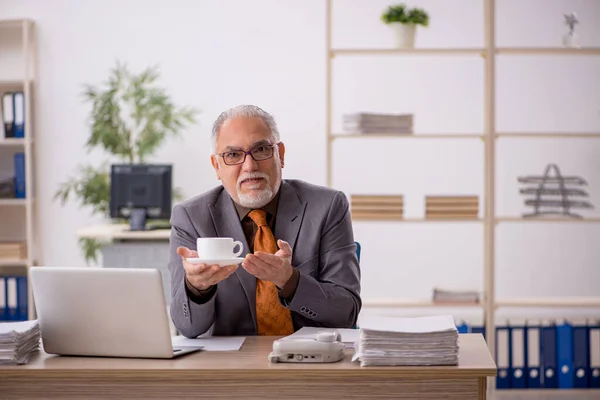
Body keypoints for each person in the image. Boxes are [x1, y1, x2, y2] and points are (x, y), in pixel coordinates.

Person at [168, 105, 361, 338]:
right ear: (216, 166)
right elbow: (186, 328)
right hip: (230, 367)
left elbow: (346, 313)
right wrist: (197, 288)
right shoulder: (190, 217)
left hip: (310, 362)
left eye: (261, 149)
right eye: (233, 155)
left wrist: (289, 280)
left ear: (280, 154)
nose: (249, 166)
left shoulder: (327, 206)